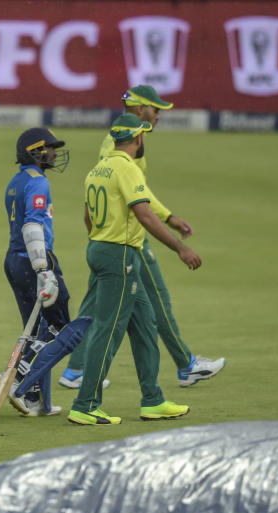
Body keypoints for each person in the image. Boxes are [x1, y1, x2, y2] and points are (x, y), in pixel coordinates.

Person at [60, 85, 225, 390]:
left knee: (97, 305)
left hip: (107, 238)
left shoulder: (115, 141)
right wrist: (175, 240)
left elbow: (127, 195)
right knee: (154, 301)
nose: (159, 116)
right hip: (127, 239)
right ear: (140, 109)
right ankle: (185, 366)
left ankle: (75, 369)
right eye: (156, 109)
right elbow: (137, 201)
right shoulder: (123, 150)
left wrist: (169, 217)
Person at [68, 113, 199, 425]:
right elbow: (145, 215)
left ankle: (152, 400)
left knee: (145, 324)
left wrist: (100, 242)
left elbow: (87, 217)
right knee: (108, 329)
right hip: (121, 255)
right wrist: (180, 247)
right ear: (138, 138)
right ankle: (85, 404)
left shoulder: (96, 169)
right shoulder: (127, 169)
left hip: (102, 249)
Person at [0, 128, 91, 417]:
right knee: (60, 326)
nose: (54, 153)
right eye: (49, 148)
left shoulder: (16, 181)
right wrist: (43, 269)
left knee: (36, 326)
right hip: (35, 260)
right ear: (35, 151)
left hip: (13, 260)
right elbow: (32, 226)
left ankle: (34, 399)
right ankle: (21, 372)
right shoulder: (39, 183)